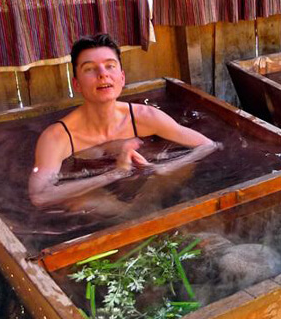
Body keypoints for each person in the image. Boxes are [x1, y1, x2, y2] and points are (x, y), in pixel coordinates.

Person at [29, 34, 221, 208]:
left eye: (110, 66)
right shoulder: (57, 137)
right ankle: (137, 216)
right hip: (105, 203)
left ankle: (147, 212)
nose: (102, 74)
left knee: (181, 169)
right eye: (89, 69)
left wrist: (162, 168)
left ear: (121, 77)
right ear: (76, 84)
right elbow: (40, 196)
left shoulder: (144, 117)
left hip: (149, 192)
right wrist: (114, 174)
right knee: (79, 202)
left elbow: (208, 145)